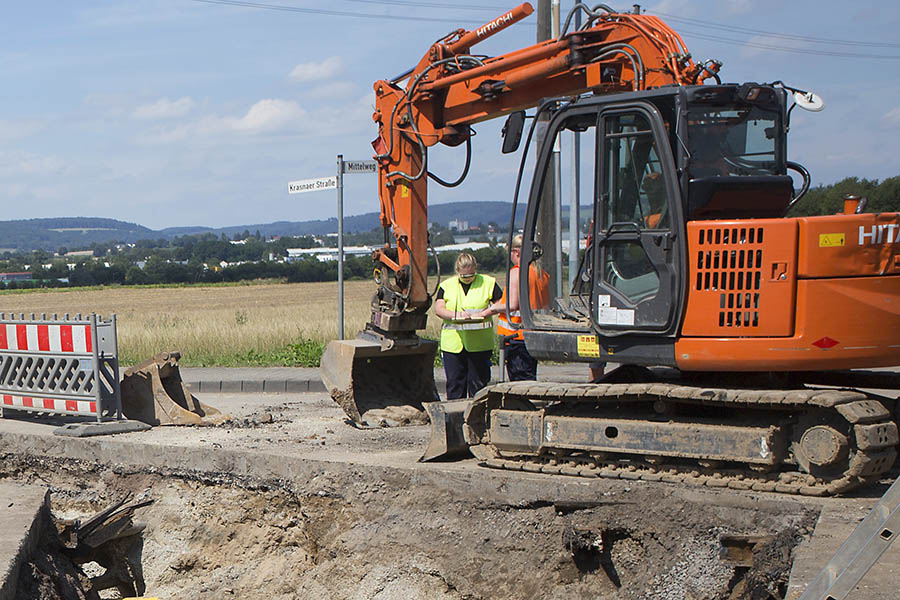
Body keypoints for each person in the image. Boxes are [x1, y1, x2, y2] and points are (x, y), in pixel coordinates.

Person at [434, 252, 503, 399]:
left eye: (472, 275)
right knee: (455, 384)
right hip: (453, 345)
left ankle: (477, 419)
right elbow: (438, 309)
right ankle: (455, 418)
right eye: (464, 276)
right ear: (457, 271)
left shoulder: (488, 283)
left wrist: (486, 313)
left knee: (478, 385)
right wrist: (456, 315)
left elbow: (502, 303)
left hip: (480, 344)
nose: (468, 279)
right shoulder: (447, 286)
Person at [494, 235, 550, 381]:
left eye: (510, 253)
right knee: (529, 377)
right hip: (532, 334)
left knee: (519, 381)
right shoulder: (540, 274)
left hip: (515, 335)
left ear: (517, 252)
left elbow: (512, 305)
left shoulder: (516, 273)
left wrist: (491, 309)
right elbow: (544, 305)